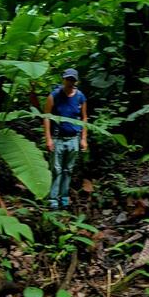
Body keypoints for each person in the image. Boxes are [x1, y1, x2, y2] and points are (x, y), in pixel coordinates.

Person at [43, 68, 88, 210]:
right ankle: (53, 199)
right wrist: (48, 138)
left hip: (73, 138)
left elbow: (84, 117)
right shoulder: (54, 96)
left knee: (68, 169)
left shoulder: (80, 97)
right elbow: (47, 117)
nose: (70, 82)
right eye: (68, 79)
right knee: (56, 169)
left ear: (76, 81)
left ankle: (64, 197)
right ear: (63, 79)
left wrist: (83, 138)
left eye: (72, 80)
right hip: (58, 138)